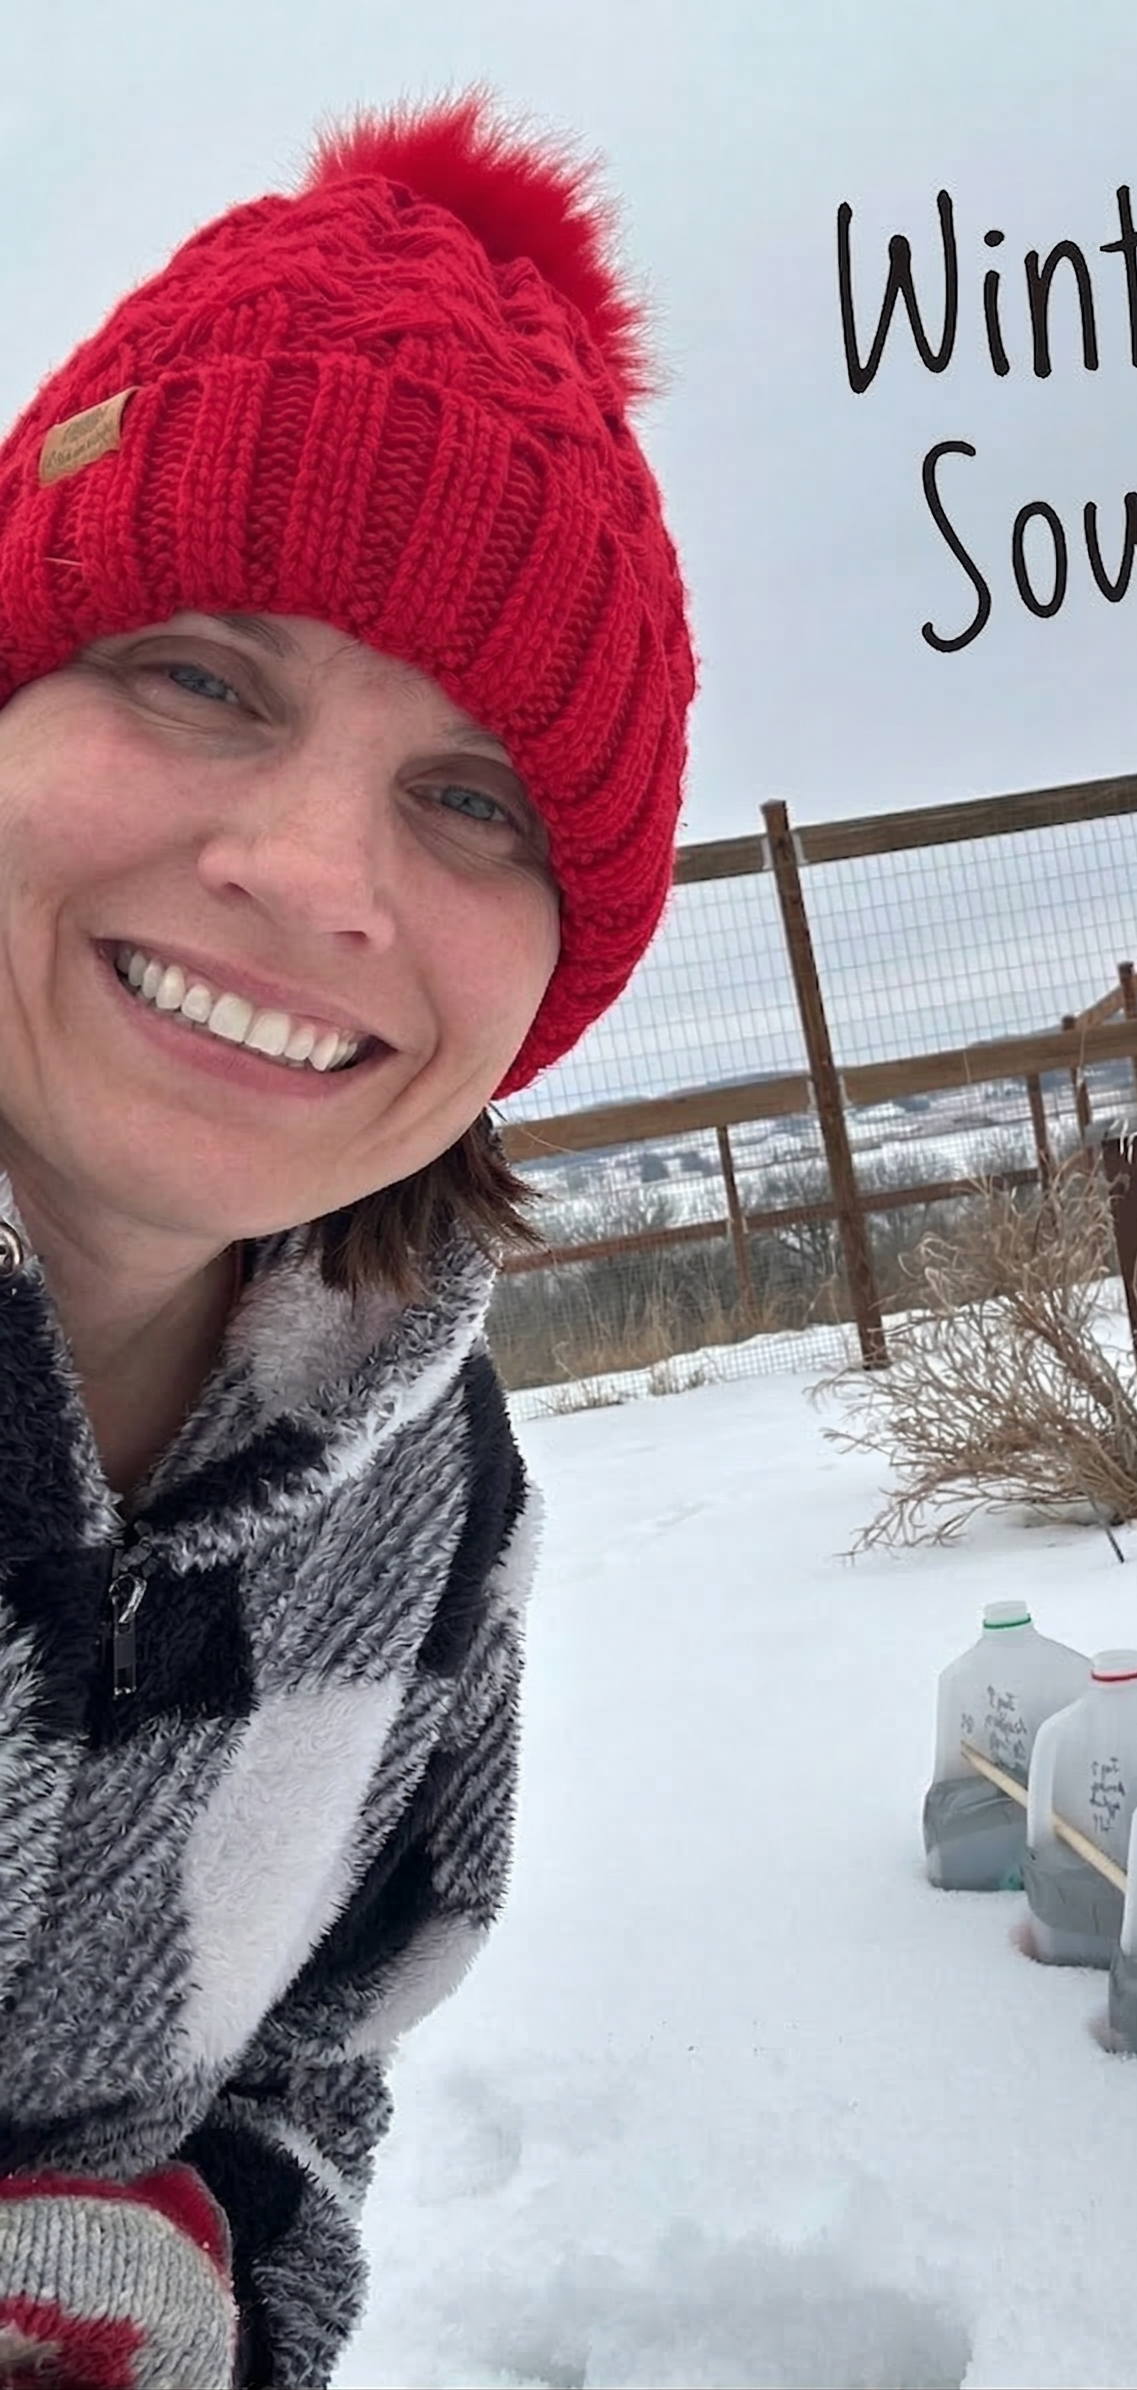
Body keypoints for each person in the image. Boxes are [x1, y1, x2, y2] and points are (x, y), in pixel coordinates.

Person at [0, 92, 695, 2387]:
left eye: (470, 797)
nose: (317, 877)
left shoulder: (419, 1494)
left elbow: (301, 2065)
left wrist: (178, 2272)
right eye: (202, 674)